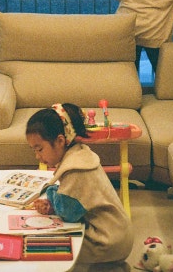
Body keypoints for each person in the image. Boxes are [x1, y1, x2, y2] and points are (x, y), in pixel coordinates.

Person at [26, 103, 134, 269]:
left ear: (60, 141)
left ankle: (110, 266)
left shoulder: (75, 169)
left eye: (39, 149)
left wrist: (52, 195)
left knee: (51, 247)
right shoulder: (81, 153)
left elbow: (67, 213)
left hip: (108, 241)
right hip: (119, 232)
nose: (37, 156)